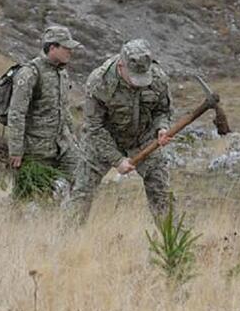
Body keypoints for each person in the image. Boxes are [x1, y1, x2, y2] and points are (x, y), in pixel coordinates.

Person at [67, 39, 174, 224]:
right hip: (104, 139)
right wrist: (117, 160)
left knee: (161, 191)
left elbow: (162, 110)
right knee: (81, 191)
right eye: (133, 76)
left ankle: (172, 243)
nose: (138, 83)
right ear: (121, 65)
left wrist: (161, 127)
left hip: (143, 138)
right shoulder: (99, 82)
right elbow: (94, 127)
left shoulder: (158, 78)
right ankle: (66, 241)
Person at [5, 25, 82, 180]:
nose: (70, 52)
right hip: (36, 151)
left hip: (63, 146)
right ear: (53, 47)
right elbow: (16, 114)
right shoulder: (29, 74)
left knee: (81, 181)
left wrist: (72, 135)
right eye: (66, 48)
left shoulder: (62, 73)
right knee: (34, 197)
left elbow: (64, 107)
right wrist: (16, 151)